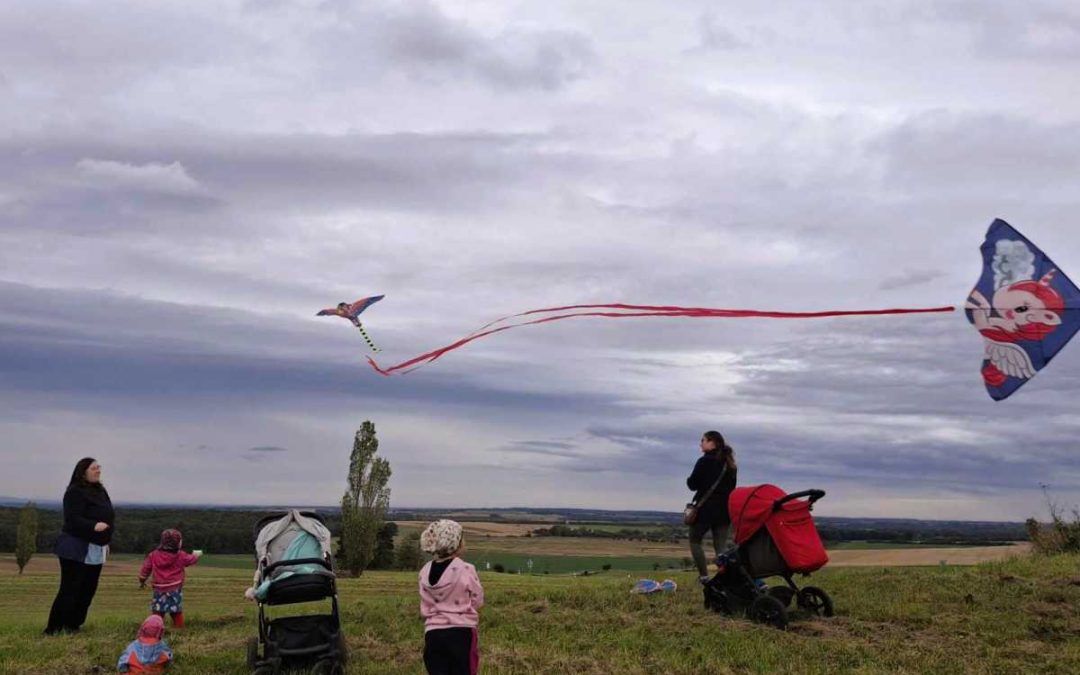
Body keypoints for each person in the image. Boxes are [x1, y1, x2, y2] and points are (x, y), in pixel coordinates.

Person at [45, 457, 114, 635]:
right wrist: (92, 526)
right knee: (70, 589)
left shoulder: (100, 490)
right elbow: (72, 520)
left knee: (88, 589)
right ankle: (53, 629)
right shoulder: (74, 492)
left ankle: (73, 625)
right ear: (83, 472)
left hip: (96, 547)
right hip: (75, 548)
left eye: (99, 467)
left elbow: (108, 515)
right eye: (94, 468)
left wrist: (106, 541)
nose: (98, 470)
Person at [418, 520, 484, 675]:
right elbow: (478, 599)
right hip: (462, 633)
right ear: (456, 544)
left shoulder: (424, 571)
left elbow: (424, 599)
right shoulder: (466, 569)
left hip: (433, 633)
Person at [686, 430, 737, 583]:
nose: (700, 443)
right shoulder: (730, 464)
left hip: (705, 510)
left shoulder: (704, 461)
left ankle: (704, 577)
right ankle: (727, 577)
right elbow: (732, 488)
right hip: (724, 511)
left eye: (703, 440)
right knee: (721, 548)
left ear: (712, 442)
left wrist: (690, 479)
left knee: (695, 540)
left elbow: (692, 484)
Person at [138, 529, 202, 628]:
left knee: (158, 612)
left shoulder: (153, 554)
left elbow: (145, 570)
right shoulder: (181, 555)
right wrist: (196, 555)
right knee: (176, 611)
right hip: (175, 589)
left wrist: (142, 580)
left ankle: (154, 629)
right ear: (178, 543)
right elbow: (191, 560)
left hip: (158, 589)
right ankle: (179, 630)